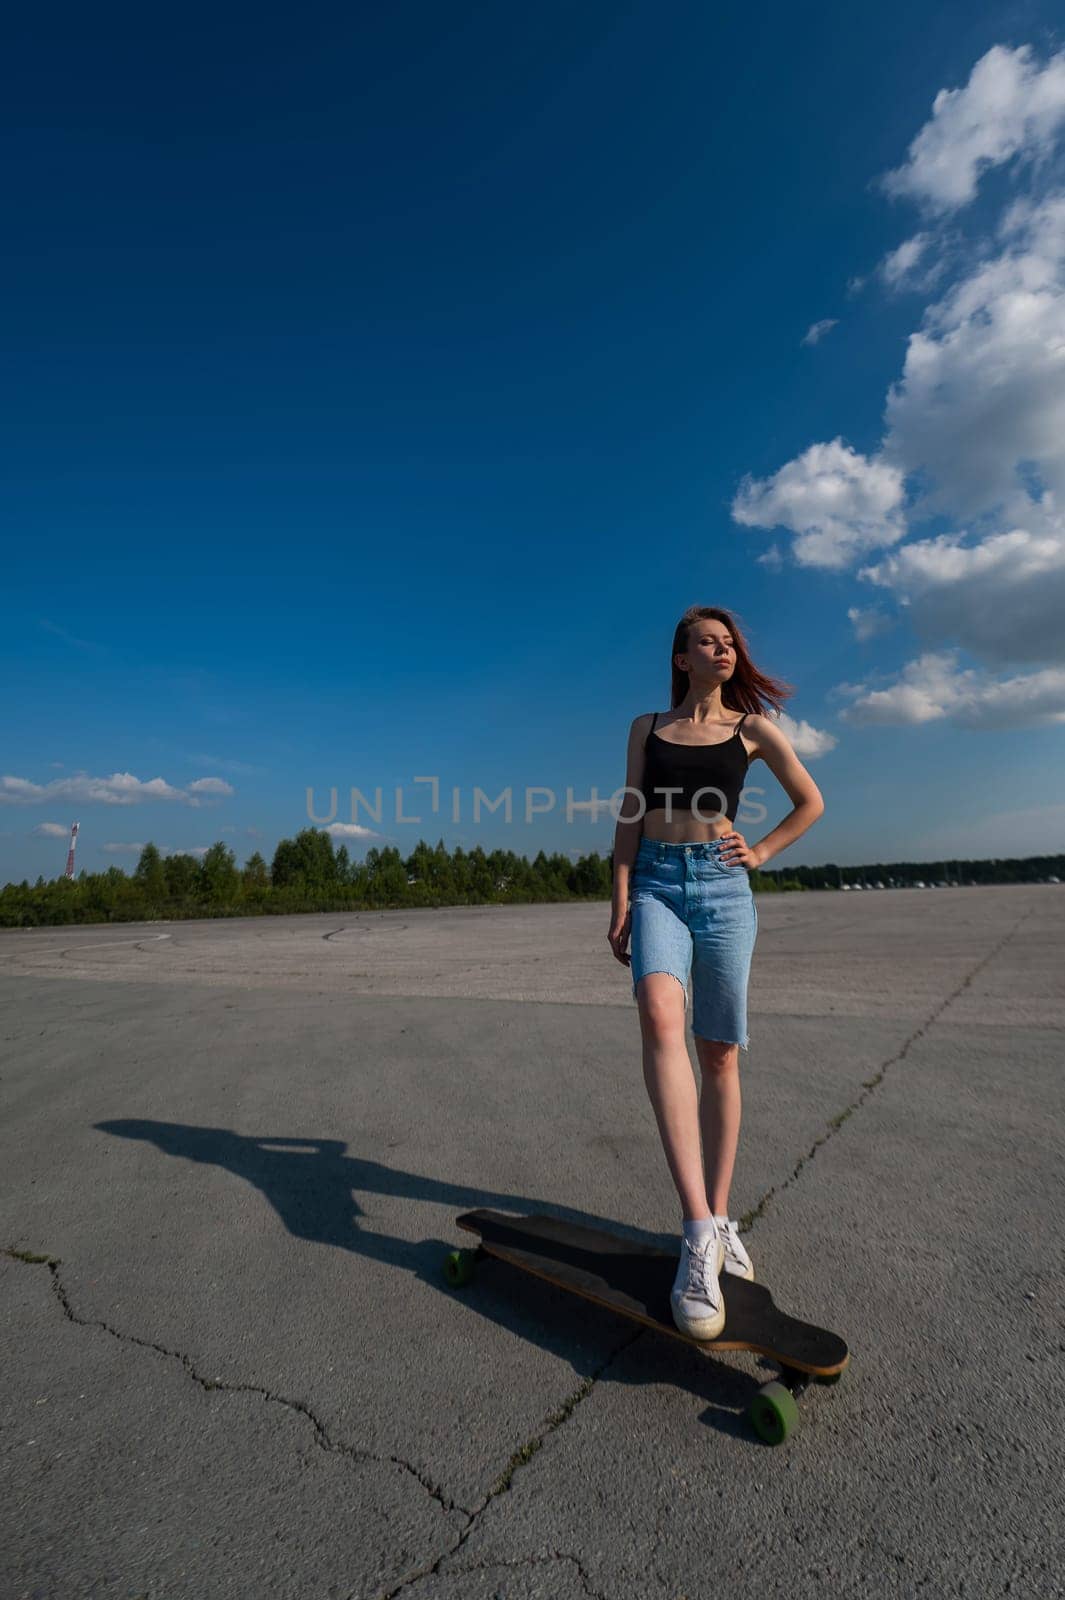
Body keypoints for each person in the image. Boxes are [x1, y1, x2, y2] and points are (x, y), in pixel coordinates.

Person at [607, 605, 824, 1339]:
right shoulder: (648, 728)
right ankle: (697, 1231)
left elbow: (809, 802)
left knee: (720, 1054)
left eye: (730, 642)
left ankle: (722, 1215)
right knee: (658, 1012)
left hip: (724, 887)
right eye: (709, 641)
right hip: (659, 886)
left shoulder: (752, 729)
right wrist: (621, 897)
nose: (723, 650)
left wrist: (759, 853)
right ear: (680, 655)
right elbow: (630, 813)